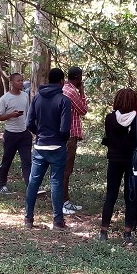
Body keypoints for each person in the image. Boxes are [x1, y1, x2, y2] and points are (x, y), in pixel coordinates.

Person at [23, 68, 73, 230]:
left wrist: (40, 134)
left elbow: (29, 123)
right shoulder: (64, 100)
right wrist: (60, 139)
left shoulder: (37, 98)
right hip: (57, 146)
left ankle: (28, 219)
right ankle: (58, 221)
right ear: (61, 82)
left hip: (40, 146)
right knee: (56, 182)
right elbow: (65, 129)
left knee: (33, 183)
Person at [99, 88, 137, 244]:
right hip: (132, 161)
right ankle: (128, 232)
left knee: (111, 194)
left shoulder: (110, 118)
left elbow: (108, 136)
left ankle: (103, 231)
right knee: (131, 196)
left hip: (114, 160)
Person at [0, 73, 31, 194]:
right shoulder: (5, 98)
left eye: (22, 80)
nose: (21, 82)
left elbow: (28, 112)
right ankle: (2, 184)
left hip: (24, 134)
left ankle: (30, 186)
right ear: (12, 83)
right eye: (18, 81)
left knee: (27, 161)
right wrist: (11, 115)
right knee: (7, 160)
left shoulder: (25, 96)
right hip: (11, 134)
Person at [60, 66, 88, 215]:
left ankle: (65, 200)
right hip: (69, 135)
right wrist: (82, 92)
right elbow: (83, 110)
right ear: (78, 77)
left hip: (62, 134)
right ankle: (63, 202)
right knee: (66, 169)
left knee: (63, 169)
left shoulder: (64, 88)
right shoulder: (71, 92)